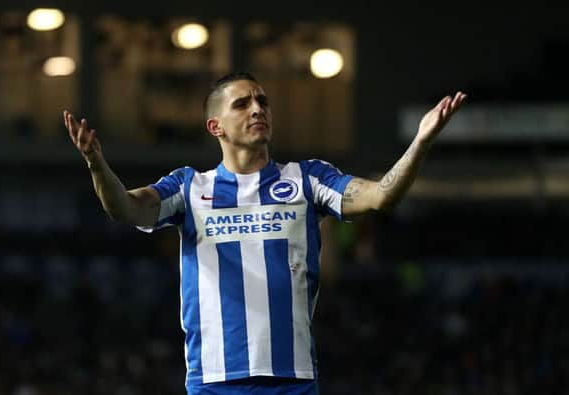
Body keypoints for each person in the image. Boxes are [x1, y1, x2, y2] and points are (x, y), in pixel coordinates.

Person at [63, 71, 466, 395]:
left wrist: (420, 141)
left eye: (263, 102)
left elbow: (380, 197)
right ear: (215, 125)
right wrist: (97, 165)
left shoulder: (307, 179)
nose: (258, 109)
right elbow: (125, 207)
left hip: (293, 377)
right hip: (215, 380)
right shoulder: (189, 188)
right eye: (243, 104)